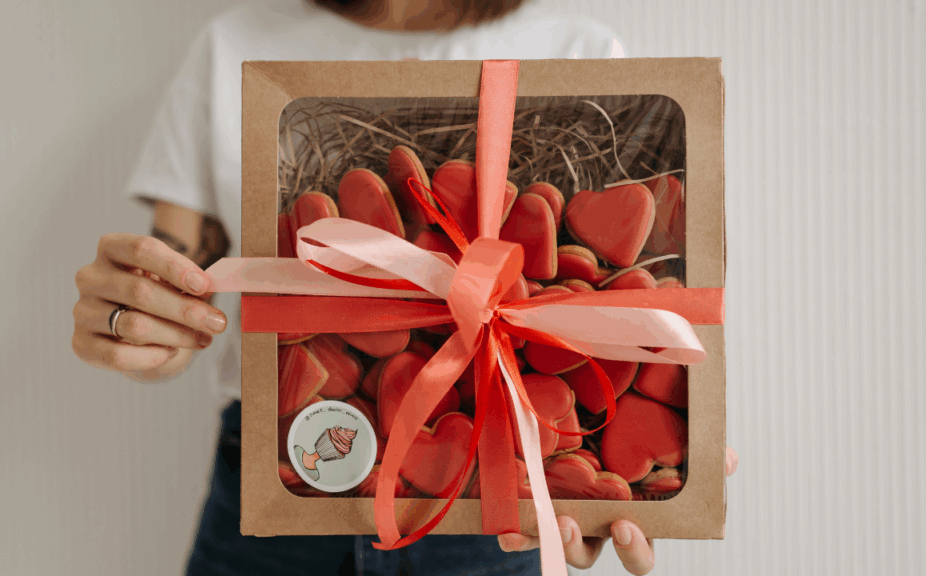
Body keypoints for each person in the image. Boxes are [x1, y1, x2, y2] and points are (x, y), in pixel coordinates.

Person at [71, 1, 738, 574]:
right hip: (279, 477)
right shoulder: (232, 44)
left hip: (489, 501)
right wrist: (137, 319)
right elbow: (184, 281)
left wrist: (637, 468)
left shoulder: (579, 52)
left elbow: (633, 312)